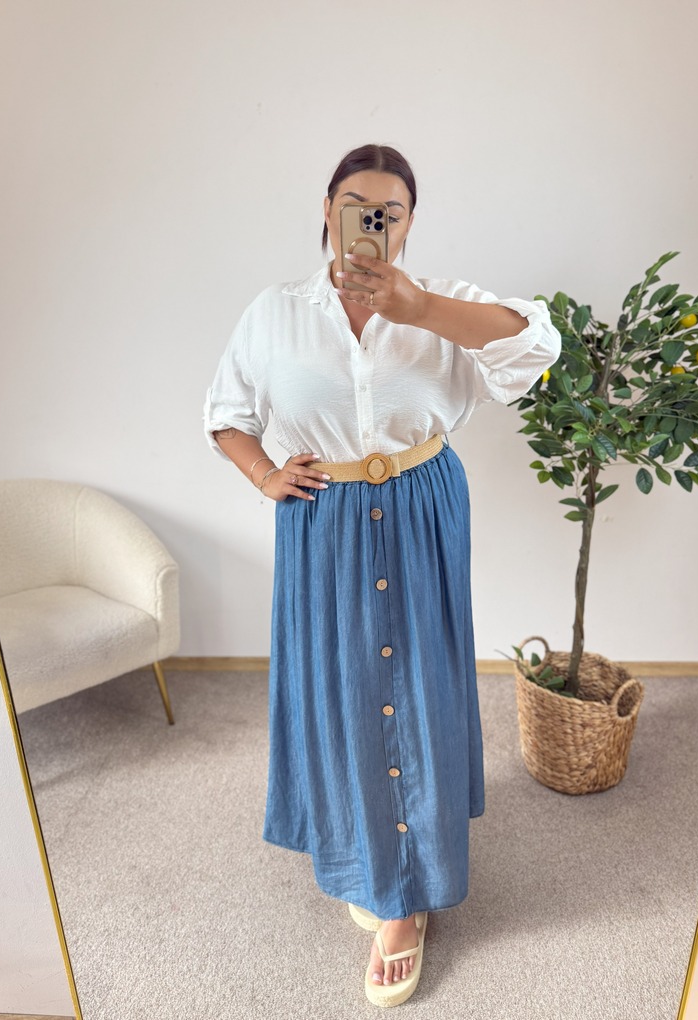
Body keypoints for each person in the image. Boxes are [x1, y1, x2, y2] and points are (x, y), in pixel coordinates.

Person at [204, 143, 561, 1007]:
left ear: (406, 223)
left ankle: (404, 899)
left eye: (388, 211)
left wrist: (420, 307)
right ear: (326, 210)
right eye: (354, 205)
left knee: (419, 682)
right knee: (341, 687)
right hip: (321, 515)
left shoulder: (440, 300)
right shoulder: (275, 311)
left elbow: (534, 346)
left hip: (419, 504)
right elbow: (225, 413)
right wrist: (264, 475)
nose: (371, 222)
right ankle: (367, 851)